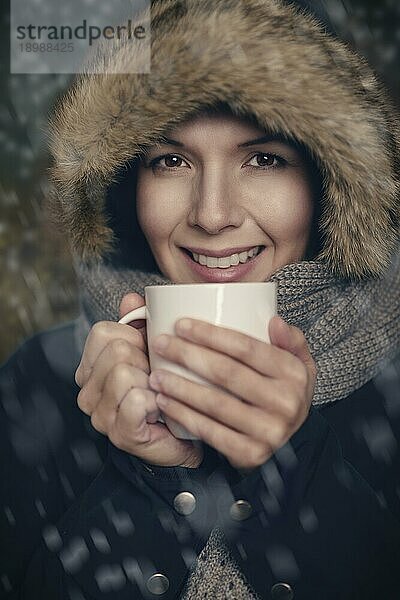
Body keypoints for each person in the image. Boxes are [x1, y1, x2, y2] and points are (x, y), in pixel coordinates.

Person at [1, 0, 400, 598]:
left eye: (264, 159)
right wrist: (155, 474)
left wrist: (282, 466)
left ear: (329, 186)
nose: (212, 215)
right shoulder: (38, 383)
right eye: (170, 160)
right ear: (122, 185)